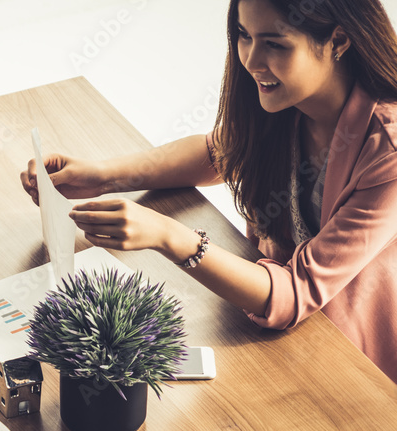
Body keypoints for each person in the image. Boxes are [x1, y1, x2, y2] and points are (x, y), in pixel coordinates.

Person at [22, 0, 397, 384]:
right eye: (244, 35)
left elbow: (294, 292)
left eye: (275, 44)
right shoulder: (286, 97)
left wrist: (169, 236)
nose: (251, 60)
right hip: (265, 332)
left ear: (338, 40)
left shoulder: (388, 150)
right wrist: (101, 176)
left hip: (346, 364)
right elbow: (218, 152)